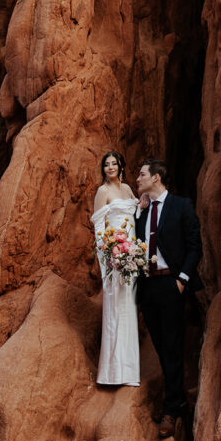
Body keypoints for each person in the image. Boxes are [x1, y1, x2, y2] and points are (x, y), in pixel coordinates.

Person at [135, 158, 202, 440]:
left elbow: (194, 246)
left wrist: (182, 281)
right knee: (162, 346)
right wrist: (138, 214)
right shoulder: (142, 210)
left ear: (156, 178)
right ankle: (178, 399)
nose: (137, 179)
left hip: (170, 284)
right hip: (147, 286)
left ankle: (171, 410)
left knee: (172, 346)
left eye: (142, 175)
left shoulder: (180, 206)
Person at [91, 150, 141, 386]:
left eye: (114, 163)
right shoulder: (103, 191)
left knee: (129, 307)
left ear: (121, 165)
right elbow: (99, 226)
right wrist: (109, 256)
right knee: (114, 306)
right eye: (106, 165)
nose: (110, 167)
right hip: (113, 257)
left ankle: (129, 372)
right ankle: (112, 373)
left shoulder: (128, 189)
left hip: (131, 256)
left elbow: (136, 213)